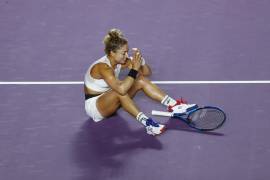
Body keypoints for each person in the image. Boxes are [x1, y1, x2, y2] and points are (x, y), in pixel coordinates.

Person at [84, 28, 197, 136]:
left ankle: (174, 105)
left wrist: (141, 61)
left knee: (141, 80)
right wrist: (134, 69)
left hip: (111, 100)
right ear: (112, 53)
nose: (126, 56)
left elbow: (146, 73)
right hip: (95, 107)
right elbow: (122, 89)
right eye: (123, 53)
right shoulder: (103, 68)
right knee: (120, 91)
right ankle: (148, 124)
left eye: (127, 52)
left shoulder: (119, 61)